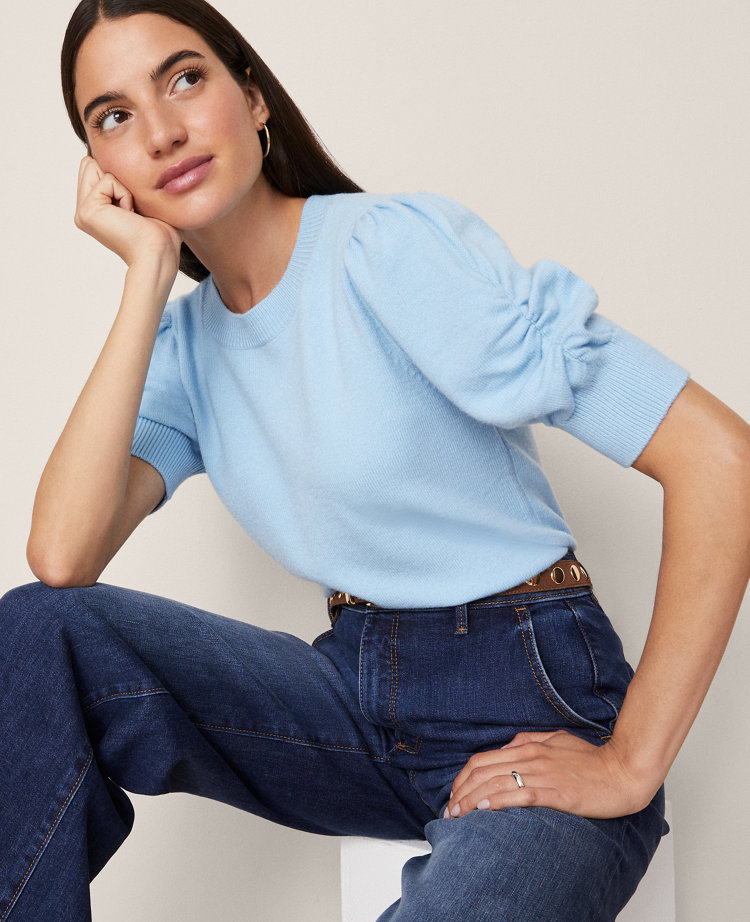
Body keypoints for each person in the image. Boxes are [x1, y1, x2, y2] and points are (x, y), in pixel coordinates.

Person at [1, 0, 748, 919]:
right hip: (354, 702)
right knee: (39, 631)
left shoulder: (384, 250)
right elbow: (62, 559)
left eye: (184, 78)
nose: (160, 132)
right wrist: (146, 276)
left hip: (529, 696)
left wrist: (632, 760)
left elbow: (721, 457)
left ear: (254, 96)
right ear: (99, 169)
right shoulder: (185, 347)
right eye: (114, 116)